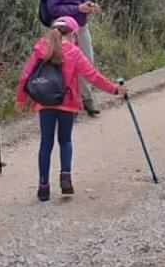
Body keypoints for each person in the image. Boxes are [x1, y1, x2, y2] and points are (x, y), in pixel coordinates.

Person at [15, 15, 126, 202]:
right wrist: (115, 89)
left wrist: (21, 99)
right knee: (65, 141)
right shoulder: (74, 52)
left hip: (44, 103)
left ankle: (43, 187)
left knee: (46, 143)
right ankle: (65, 176)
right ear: (73, 34)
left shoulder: (41, 48)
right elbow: (93, 76)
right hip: (67, 103)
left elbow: (25, 76)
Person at [45, 0, 103, 116]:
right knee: (67, 66)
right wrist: (77, 8)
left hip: (81, 26)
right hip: (64, 31)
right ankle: (70, 102)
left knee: (87, 62)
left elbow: (78, 0)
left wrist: (88, 6)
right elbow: (52, 8)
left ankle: (86, 98)